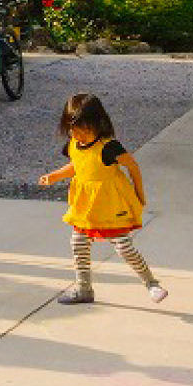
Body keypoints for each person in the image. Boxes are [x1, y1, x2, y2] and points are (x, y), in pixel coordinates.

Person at [36, 92, 167, 306]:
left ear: (98, 123)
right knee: (78, 243)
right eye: (72, 130)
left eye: (83, 130)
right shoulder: (73, 145)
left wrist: (139, 193)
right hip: (86, 205)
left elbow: (132, 165)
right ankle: (83, 289)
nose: (77, 135)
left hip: (111, 204)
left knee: (124, 246)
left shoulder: (108, 147)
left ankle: (151, 283)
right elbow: (77, 166)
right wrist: (55, 176)